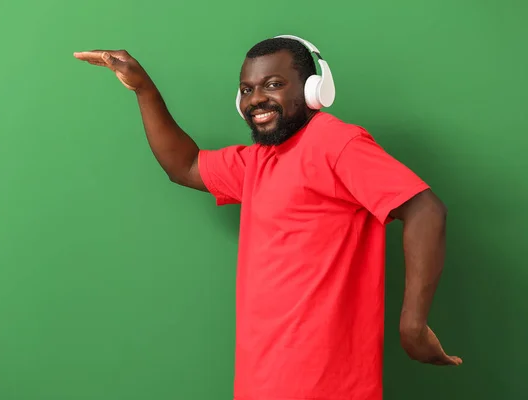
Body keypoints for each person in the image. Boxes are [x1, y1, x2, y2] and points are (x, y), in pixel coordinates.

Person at [74, 36, 462, 400]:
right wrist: (144, 88)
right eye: (247, 90)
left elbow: (424, 209)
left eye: (273, 84)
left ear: (314, 90)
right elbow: (185, 165)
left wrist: (412, 327)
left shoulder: (335, 142)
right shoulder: (259, 161)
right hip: (261, 378)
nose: (257, 99)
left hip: (325, 383)